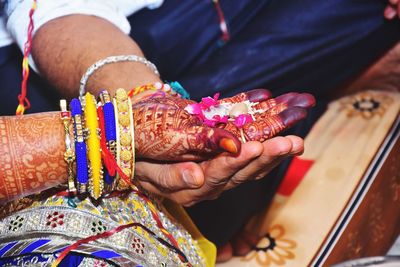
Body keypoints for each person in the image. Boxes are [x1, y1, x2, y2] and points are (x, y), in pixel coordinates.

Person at [0, 0, 399, 263]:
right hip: (80, 43)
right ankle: (331, 73)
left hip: (219, 16)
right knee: (207, 169)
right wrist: (131, 114)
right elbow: (61, 13)